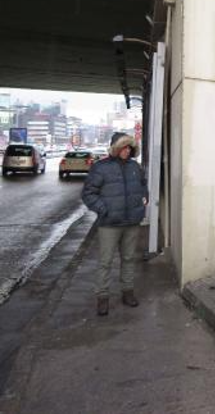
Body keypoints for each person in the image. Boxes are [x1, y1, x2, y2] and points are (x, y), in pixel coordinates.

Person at [82, 133, 148, 316]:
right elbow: (88, 194)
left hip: (131, 222)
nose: (127, 151)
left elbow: (143, 186)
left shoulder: (135, 167)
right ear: (115, 148)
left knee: (128, 259)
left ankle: (128, 292)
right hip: (109, 224)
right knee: (105, 262)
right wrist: (104, 210)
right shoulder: (100, 168)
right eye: (123, 147)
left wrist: (144, 200)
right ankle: (102, 298)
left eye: (129, 148)